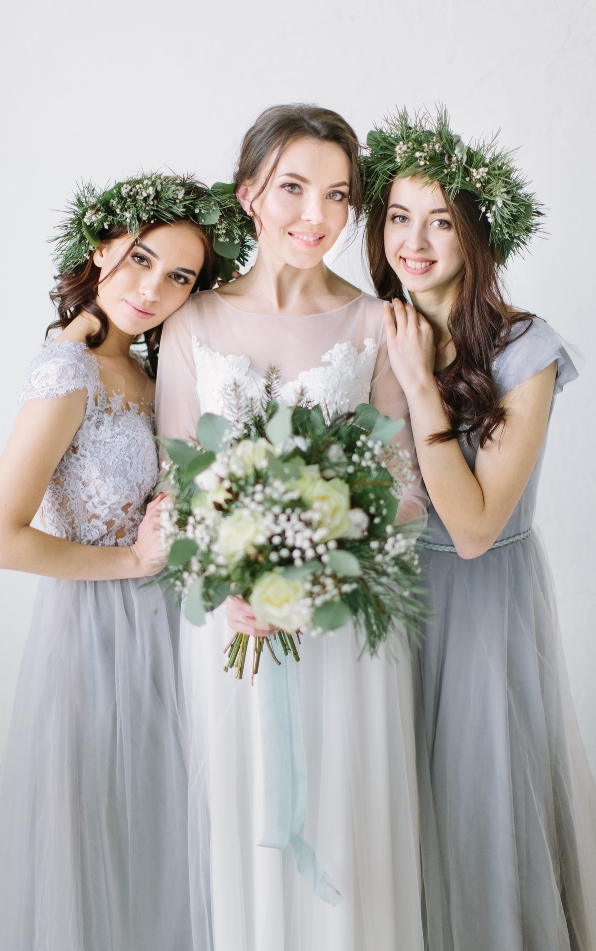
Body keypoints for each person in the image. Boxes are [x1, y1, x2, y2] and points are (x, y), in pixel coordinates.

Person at [156, 103, 427, 951]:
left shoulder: (375, 320)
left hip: (349, 626)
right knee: (243, 823)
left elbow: (406, 486)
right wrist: (231, 580)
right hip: (231, 624)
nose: (319, 216)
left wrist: (329, 567)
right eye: (294, 189)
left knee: (352, 818)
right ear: (249, 196)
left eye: (340, 195)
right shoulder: (191, 322)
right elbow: (177, 486)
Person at [0, 173, 253, 951]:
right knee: (104, 833)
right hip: (96, 631)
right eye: (139, 259)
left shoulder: (148, 366)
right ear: (100, 249)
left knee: (163, 830)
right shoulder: (68, 370)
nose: (152, 287)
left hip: (169, 625)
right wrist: (131, 561)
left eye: (179, 277)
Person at [363, 108, 596, 951]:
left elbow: (471, 528)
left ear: (476, 234)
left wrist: (422, 386)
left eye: (440, 221)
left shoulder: (524, 349)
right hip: (382, 600)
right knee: (387, 811)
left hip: (479, 606)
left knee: (476, 806)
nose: (413, 241)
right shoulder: (368, 326)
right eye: (397, 215)